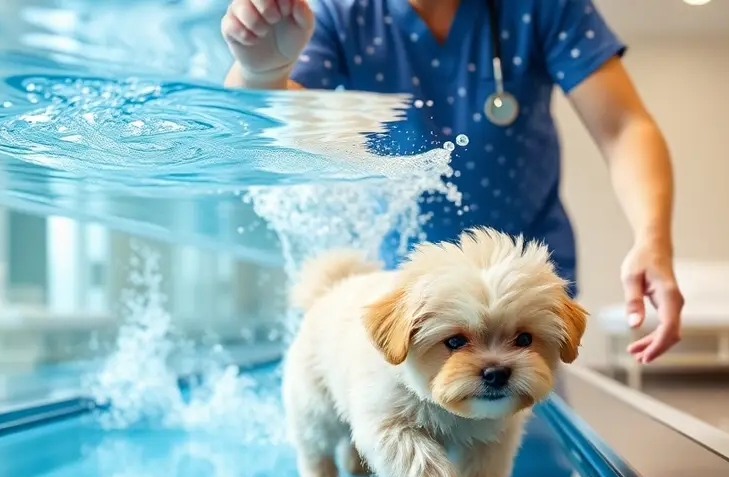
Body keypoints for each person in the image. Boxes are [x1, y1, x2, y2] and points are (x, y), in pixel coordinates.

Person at [221, 0, 683, 363]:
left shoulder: (540, 6)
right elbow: (264, 142)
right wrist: (262, 70)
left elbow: (623, 127)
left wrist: (652, 239)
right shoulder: (339, 15)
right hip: (408, 302)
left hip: (523, 300)